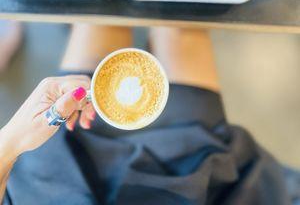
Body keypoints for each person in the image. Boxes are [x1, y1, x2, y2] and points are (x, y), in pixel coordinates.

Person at [0, 25, 290, 205]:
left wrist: (10, 144)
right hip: (190, 169)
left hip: (63, 169)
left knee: (102, 15)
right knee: (179, 22)